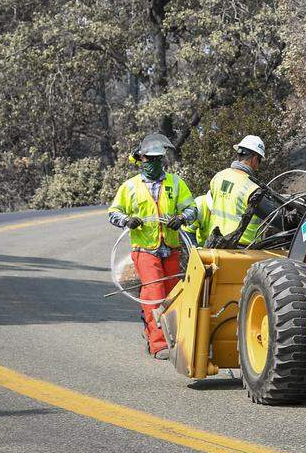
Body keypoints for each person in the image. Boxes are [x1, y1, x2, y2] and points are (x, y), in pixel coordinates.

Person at [108, 132, 196, 359]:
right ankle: (157, 343)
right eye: (149, 160)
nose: (153, 164)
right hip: (145, 249)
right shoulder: (130, 187)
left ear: (162, 160)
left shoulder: (175, 183)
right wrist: (127, 220)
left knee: (173, 296)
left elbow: (192, 209)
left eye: (157, 160)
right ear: (141, 160)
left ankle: (174, 338)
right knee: (154, 294)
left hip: (171, 248)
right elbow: (114, 213)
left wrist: (182, 219)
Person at [207, 135, 276, 247]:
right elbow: (274, 216)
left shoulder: (218, 177)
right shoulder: (251, 188)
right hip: (241, 249)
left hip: (214, 244)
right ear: (254, 159)